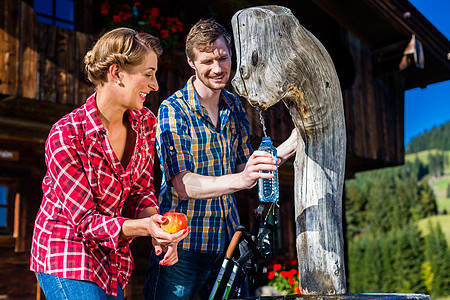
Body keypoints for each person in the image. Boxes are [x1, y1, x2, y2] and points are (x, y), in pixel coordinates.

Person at [30, 27, 189, 300]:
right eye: (148, 74)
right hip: (65, 249)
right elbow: (85, 222)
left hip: (111, 258)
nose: (155, 85)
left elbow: (140, 190)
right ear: (117, 73)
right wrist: (144, 227)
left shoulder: (145, 123)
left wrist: (159, 229)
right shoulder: (67, 134)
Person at [143, 19, 297, 300]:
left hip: (227, 245)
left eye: (223, 58)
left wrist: (288, 147)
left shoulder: (234, 106)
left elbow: (243, 170)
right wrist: (242, 178)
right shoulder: (173, 109)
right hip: (182, 247)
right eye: (207, 61)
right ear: (191, 62)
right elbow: (182, 185)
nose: (217, 68)